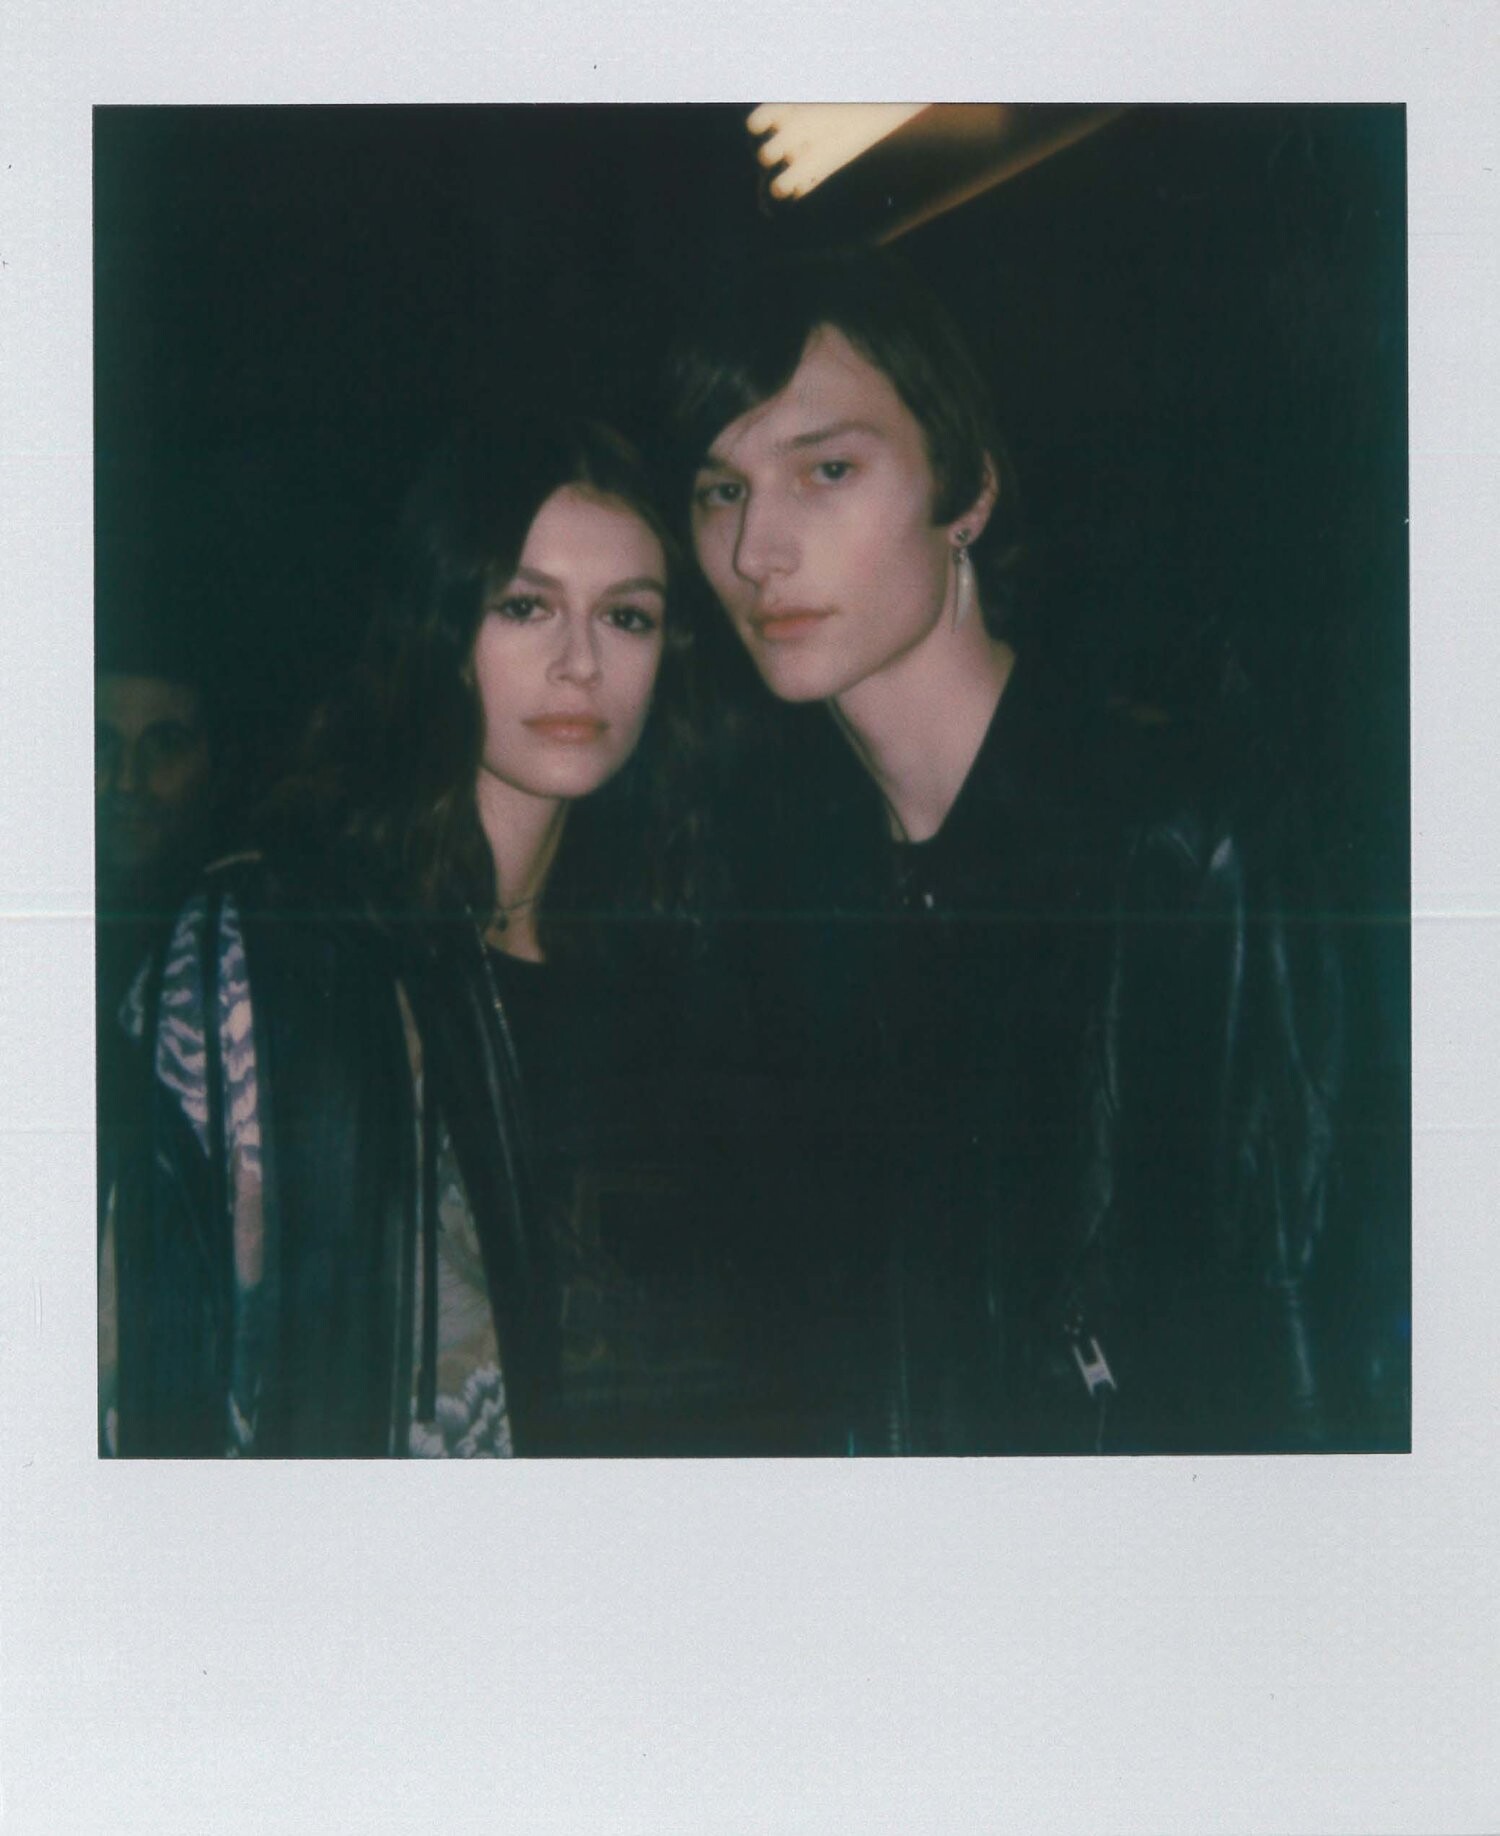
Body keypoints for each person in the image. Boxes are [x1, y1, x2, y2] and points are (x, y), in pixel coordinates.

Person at [668, 246, 1406, 1454]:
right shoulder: (782, 888)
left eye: (828, 470)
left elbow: (1302, 1348)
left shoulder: (1183, 846)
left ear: (967, 495)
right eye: (719, 491)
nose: (758, 551)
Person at [107, 413, 746, 1457]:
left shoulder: (688, 966)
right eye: (525, 606)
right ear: (444, 631)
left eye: (627, 617)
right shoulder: (272, 947)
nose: (581, 663)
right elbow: (136, 1369)